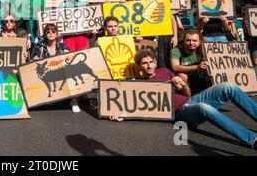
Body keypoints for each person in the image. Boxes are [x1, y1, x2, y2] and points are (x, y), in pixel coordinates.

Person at [110, 50, 257, 148]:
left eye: (151, 62)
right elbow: (137, 107)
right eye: (144, 63)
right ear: (139, 66)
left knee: (228, 86)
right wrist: (124, 115)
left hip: (190, 99)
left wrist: (182, 83)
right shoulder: (138, 84)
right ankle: (252, 139)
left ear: (155, 62)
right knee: (204, 108)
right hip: (180, 112)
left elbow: (187, 93)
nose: (149, 65)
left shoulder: (165, 71)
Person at [170, 29, 211, 95]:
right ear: (184, 41)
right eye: (188, 40)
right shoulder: (176, 51)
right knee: (182, 75)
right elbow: (175, 67)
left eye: (194, 41)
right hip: (185, 80)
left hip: (200, 78)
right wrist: (197, 67)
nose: (191, 43)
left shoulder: (203, 51)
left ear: (199, 42)